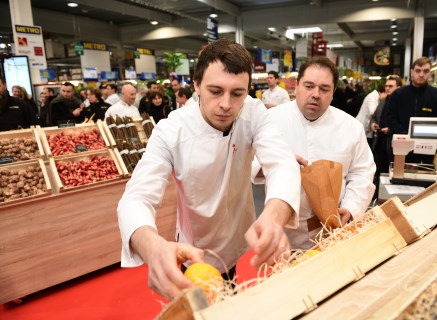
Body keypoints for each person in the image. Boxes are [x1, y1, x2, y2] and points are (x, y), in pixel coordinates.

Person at [117, 38, 300, 301]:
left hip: (237, 231)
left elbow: (282, 162)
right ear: (196, 85)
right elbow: (137, 196)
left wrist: (274, 214)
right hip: (194, 244)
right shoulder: (171, 130)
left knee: (230, 295)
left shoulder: (254, 113)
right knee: (197, 304)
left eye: (237, 94)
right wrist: (151, 244)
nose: (226, 104)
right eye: (215, 91)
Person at [252, 56, 375, 250]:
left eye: (324, 89)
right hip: (283, 231)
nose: (316, 94)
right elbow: (250, 164)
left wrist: (351, 209)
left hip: (332, 231)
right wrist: (278, 164)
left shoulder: (350, 127)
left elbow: (362, 173)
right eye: (309, 86)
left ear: (333, 92)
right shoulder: (271, 120)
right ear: (296, 87)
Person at [386, 57, 437, 164]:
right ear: (412, 72)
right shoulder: (398, 94)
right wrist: (408, 138)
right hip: (401, 148)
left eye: (425, 71)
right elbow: (390, 118)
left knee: (424, 179)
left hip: (426, 150)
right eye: (418, 71)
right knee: (398, 178)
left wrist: (419, 139)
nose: (421, 75)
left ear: (430, 73)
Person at [370, 75, 402, 198]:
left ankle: (389, 196)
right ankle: (376, 194)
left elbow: (403, 123)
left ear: (398, 87)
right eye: (386, 86)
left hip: (392, 142)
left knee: (391, 170)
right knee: (377, 168)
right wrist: (373, 123)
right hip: (379, 140)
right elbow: (374, 116)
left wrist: (390, 129)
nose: (387, 88)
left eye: (390, 86)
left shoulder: (401, 104)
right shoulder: (383, 101)